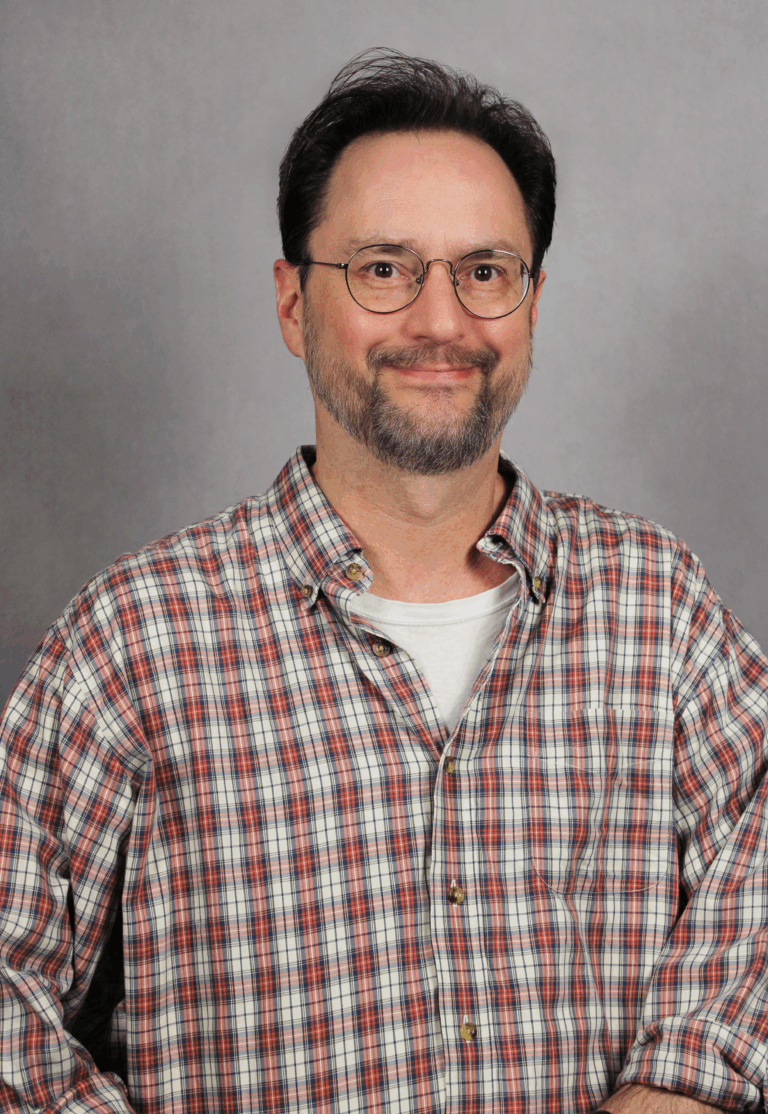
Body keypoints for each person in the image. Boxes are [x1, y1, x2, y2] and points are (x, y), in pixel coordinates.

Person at [1, 47, 766, 1114]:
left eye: (484, 271)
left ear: (532, 306)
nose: (442, 320)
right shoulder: (133, 642)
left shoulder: (658, 608)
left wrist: (684, 1079)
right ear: (291, 303)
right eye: (383, 267)